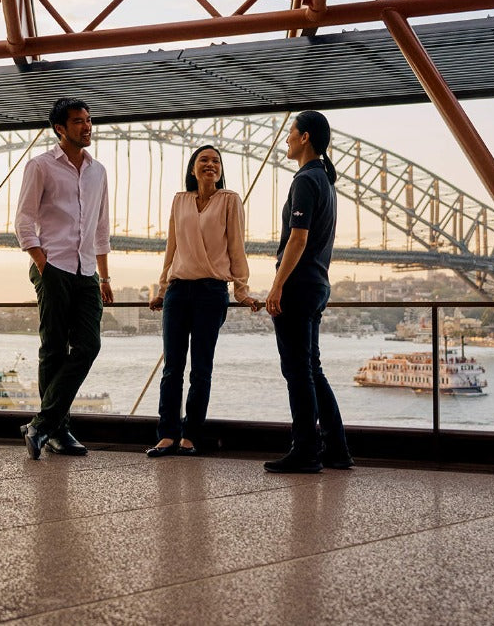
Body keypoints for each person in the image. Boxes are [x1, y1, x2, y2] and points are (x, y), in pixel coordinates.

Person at [14, 97, 114, 459]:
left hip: (87, 271)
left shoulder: (98, 171)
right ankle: (59, 431)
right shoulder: (40, 166)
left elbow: (100, 226)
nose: (87, 127)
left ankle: (41, 425)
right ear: (60, 128)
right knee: (53, 348)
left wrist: (104, 277)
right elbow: (24, 219)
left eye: (89, 120)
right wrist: (42, 262)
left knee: (89, 345)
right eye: (78, 122)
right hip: (52, 266)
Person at [147, 145, 259, 457]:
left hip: (211, 292)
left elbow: (237, 247)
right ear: (193, 169)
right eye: (203, 160)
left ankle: (190, 436)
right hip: (178, 291)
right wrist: (161, 288)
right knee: (172, 368)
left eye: (216, 161)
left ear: (221, 170)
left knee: (201, 369)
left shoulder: (229, 200)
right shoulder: (179, 200)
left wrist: (241, 290)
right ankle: (166, 435)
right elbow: (171, 248)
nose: (210, 165)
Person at [263, 111, 352, 473]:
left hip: (298, 286)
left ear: (305, 138)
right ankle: (336, 447)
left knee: (297, 371)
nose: (286, 139)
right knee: (312, 369)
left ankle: (306, 451)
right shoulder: (326, 182)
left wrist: (277, 285)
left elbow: (297, 240)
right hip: (318, 283)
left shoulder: (305, 180)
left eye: (290, 133)